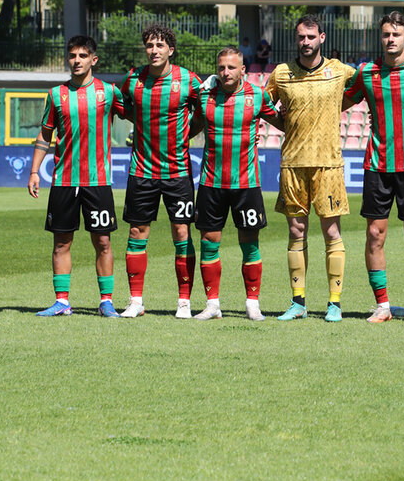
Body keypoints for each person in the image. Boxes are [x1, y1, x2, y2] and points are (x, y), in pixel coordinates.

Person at [344, 11, 404, 324]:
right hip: (378, 163)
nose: (390, 39)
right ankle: (382, 305)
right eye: (386, 34)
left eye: (396, 35)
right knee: (375, 234)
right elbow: (340, 101)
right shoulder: (367, 73)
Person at [27, 35, 125, 317]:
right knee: (61, 242)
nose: (77, 61)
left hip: (98, 181)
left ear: (94, 59)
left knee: (103, 241)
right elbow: (46, 133)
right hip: (64, 180)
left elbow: (137, 115)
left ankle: (106, 301)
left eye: (83, 56)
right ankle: (62, 302)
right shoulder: (56, 94)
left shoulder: (109, 92)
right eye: (72, 56)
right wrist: (34, 171)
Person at [265, 15, 354, 322]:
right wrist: (283, 122)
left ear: (322, 38)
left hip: (328, 163)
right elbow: (263, 104)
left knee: (331, 232)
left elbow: (367, 83)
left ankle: (334, 303)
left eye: (310, 37)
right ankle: (298, 302)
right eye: (301, 37)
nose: (305, 42)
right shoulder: (281, 73)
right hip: (293, 164)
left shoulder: (339, 70)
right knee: (295, 231)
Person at [119, 24, 202, 319]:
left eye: (160, 45)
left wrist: (186, 135)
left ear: (171, 49)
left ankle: (184, 302)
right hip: (141, 171)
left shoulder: (188, 81)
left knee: (181, 231)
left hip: (178, 172)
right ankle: (136, 301)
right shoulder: (133, 80)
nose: (154, 50)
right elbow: (124, 107)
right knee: (136, 232)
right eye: (150, 45)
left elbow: (203, 112)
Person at [194, 46, 282, 321]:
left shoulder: (257, 96)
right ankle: (212, 304)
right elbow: (192, 126)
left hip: (246, 183)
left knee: (250, 242)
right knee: (209, 241)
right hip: (211, 182)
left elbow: (283, 122)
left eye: (232, 67)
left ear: (243, 69)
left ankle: (252, 302)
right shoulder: (205, 95)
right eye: (221, 67)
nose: (226, 72)